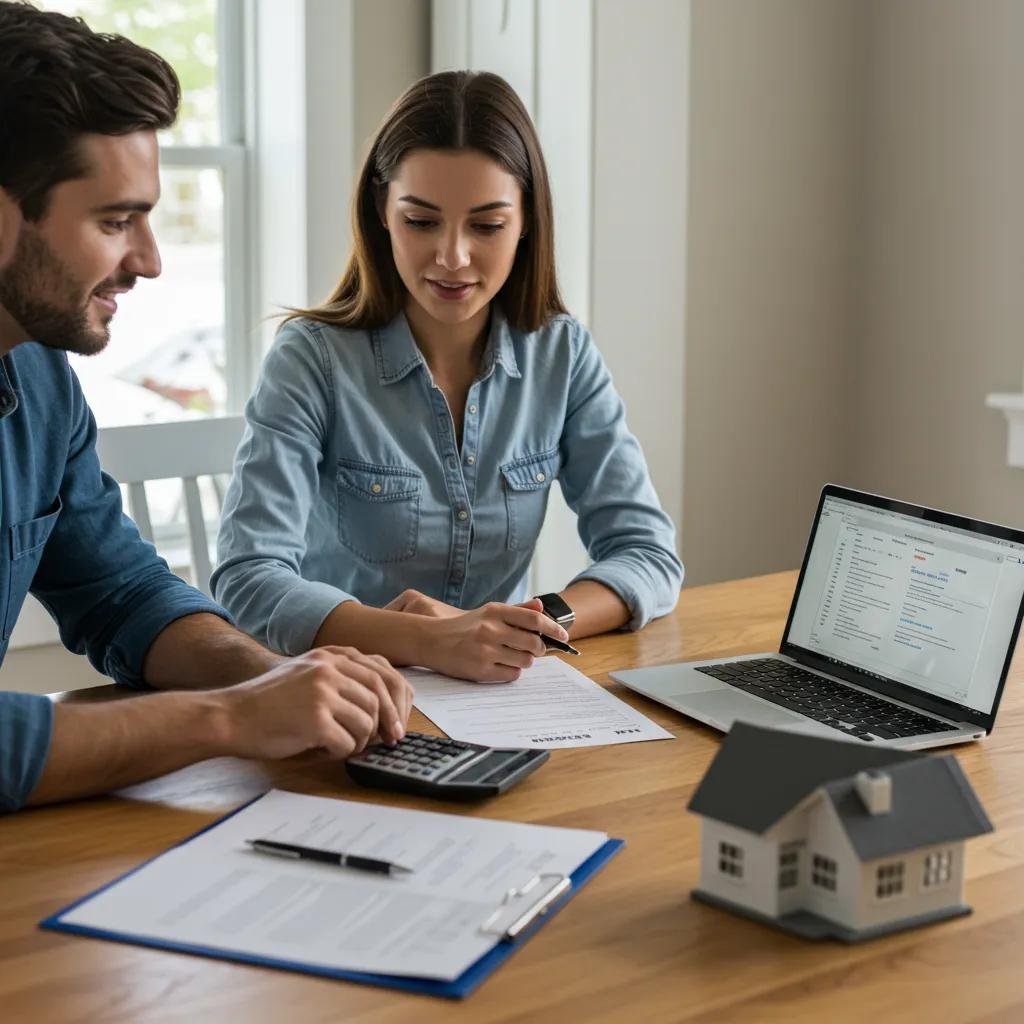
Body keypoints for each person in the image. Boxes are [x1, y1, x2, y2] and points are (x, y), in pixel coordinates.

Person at [0, 1, 413, 814]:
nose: (149, 262)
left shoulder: (41, 378)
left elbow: (121, 593)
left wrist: (280, 679)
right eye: (117, 221)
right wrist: (228, 717)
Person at [214, 71, 684, 683]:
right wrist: (430, 638)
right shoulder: (312, 359)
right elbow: (248, 580)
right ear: (382, 213)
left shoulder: (561, 353)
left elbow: (646, 554)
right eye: (421, 222)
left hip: (498, 697)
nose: (453, 257)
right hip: (337, 697)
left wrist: (525, 627)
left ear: (526, 224)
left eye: (487, 226)